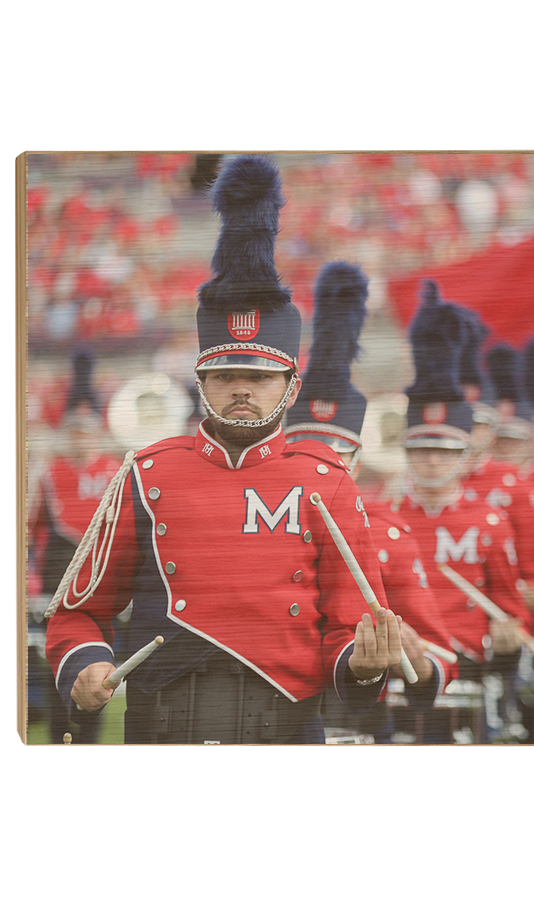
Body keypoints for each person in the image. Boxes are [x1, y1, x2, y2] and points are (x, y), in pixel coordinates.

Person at [44, 155, 400, 745]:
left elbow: (350, 627)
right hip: (163, 731)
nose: (241, 388)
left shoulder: (327, 479)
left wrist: (361, 664)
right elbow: (78, 610)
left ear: (290, 386)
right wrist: (83, 667)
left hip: (286, 732)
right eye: (225, 374)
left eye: (259, 378)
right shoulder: (145, 473)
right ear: (201, 381)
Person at [284, 260, 455, 741]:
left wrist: (414, 657)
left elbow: (438, 650)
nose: (321, 469)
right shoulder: (243, 519)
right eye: (304, 454)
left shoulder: (388, 531)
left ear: (357, 461)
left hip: (352, 719)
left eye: (336, 456)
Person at [391, 281, 534, 742]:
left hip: (467, 662)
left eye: (444, 451)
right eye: (422, 449)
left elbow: (510, 608)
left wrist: (509, 637)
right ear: (407, 452)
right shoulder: (380, 515)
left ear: (463, 455)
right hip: (394, 666)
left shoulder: (489, 522)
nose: (432, 460)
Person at [28, 349, 124, 743]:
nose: (79, 436)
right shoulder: (49, 473)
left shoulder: (117, 469)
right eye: (74, 428)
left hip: (103, 587)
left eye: (86, 428)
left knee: (98, 671)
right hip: (56, 585)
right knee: (57, 669)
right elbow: (30, 533)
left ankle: (88, 742)